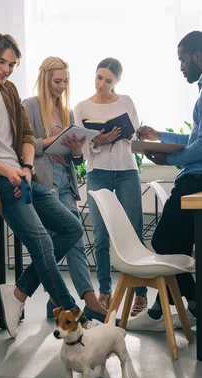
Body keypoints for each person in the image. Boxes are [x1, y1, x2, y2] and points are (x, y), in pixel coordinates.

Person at [0, 33, 92, 339]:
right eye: (1, 61)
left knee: (72, 228)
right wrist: (7, 171)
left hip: (23, 175)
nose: (6, 69)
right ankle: (76, 318)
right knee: (40, 241)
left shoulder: (10, 91)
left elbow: (27, 136)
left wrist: (26, 168)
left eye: (12, 64)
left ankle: (18, 293)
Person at [131, 30, 202, 330]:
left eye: (182, 60)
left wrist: (170, 159)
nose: (181, 67)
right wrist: (160, 137)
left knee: (162, 241)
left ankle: (195, 299)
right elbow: (199, 138)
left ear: (198, 56)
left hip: (199, 180)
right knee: (176, 246)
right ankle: (164, 306)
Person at [22, 56, 110, 322]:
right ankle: (83, 300)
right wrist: (49, 141)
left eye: (65, 81)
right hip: (43, 179)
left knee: (74, 238)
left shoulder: (66, 111)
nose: (61, 86)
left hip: (64, 178)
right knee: (53, 243)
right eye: (57, 81)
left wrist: (75, 150)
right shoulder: (30, 106)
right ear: (45, 78)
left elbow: (77, 158)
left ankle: (61, 300)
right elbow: (22, 144)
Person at [73, 58, 148, 317]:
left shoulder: (126, 101)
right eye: (98, 77)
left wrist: (130, 135)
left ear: (117, 82)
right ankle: (105, 291)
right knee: (101, 235)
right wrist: (99, 140)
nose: (102, 84)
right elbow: (83, 150)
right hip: (98, 173)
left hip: (127, 171)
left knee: (134, 230)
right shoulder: (81, 108)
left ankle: (140, 293)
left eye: (108, 80)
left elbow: (136, 136)